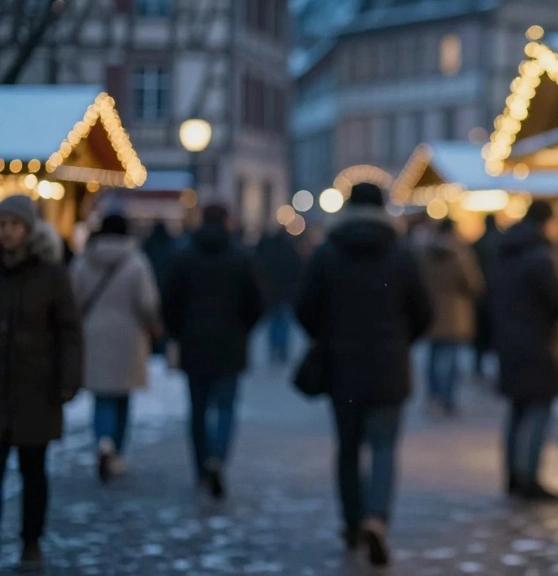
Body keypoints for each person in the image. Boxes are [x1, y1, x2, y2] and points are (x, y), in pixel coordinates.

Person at [294, 183, 431, 567]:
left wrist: (326, 335)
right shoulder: (401, 255)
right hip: (389, 365)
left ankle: (352, 524)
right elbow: (423, 310)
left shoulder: (328, 253)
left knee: (349, 448)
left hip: (342, 367)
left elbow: (304, 308)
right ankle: (377, 516)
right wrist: (402, 339)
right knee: (385, 446)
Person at [0, 195, 83, 569]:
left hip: (36, 387)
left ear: (29, 229)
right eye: (2, 225)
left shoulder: (51, 273)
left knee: (34, 471)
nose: (7, 232)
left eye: (14, 225)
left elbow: (69, 330)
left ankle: (31, 540)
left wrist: (69, 379)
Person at [162, 204, 264, 500]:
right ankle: (218, 456)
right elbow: (256, 301)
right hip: (230, 343)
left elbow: (170, 302)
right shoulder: (241, 257)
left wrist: (178, 333)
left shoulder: (184, 257)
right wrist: (243, 328)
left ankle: (201, 467)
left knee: (198, 409)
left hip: (194, 342)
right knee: (226, 407)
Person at [489, 200, 558, 500]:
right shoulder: (541, 256)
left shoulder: (506, 251)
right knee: (539, 409)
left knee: (516, 410)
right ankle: (530, 478)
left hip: (510, 341)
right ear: (547, 222)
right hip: (539, 344)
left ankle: (513, 475)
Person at [71, 214, 161, 483]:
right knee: (122, 397)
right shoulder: (136, 263)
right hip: (128, 337)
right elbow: (147, 302)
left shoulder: (83, 261)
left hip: (93, 334)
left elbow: (72, 299)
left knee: (102, 397)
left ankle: (103, 442)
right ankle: (117, 451)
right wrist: (153, 325)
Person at [421, 218, 483, 415]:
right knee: (450, 358)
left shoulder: (423, 253)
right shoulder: (460, 254)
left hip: (431, 311)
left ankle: (433, 395)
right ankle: (447, 398)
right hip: (455, 313)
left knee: (433, 357)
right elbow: (473, 283)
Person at [254, 229, 304, 364]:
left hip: (272, 293)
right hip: (286, 293)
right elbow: (298, 272)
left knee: (274, 323)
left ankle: (274, 348)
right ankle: (281, 349)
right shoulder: (291, 252)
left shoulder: (268, 253)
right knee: (283, 323)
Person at [471, 214, 504, 377]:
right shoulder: (502, 242)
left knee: (481, 334)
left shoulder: (477, 244)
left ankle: (478, 365)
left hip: (481, 294)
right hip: (498, 293)